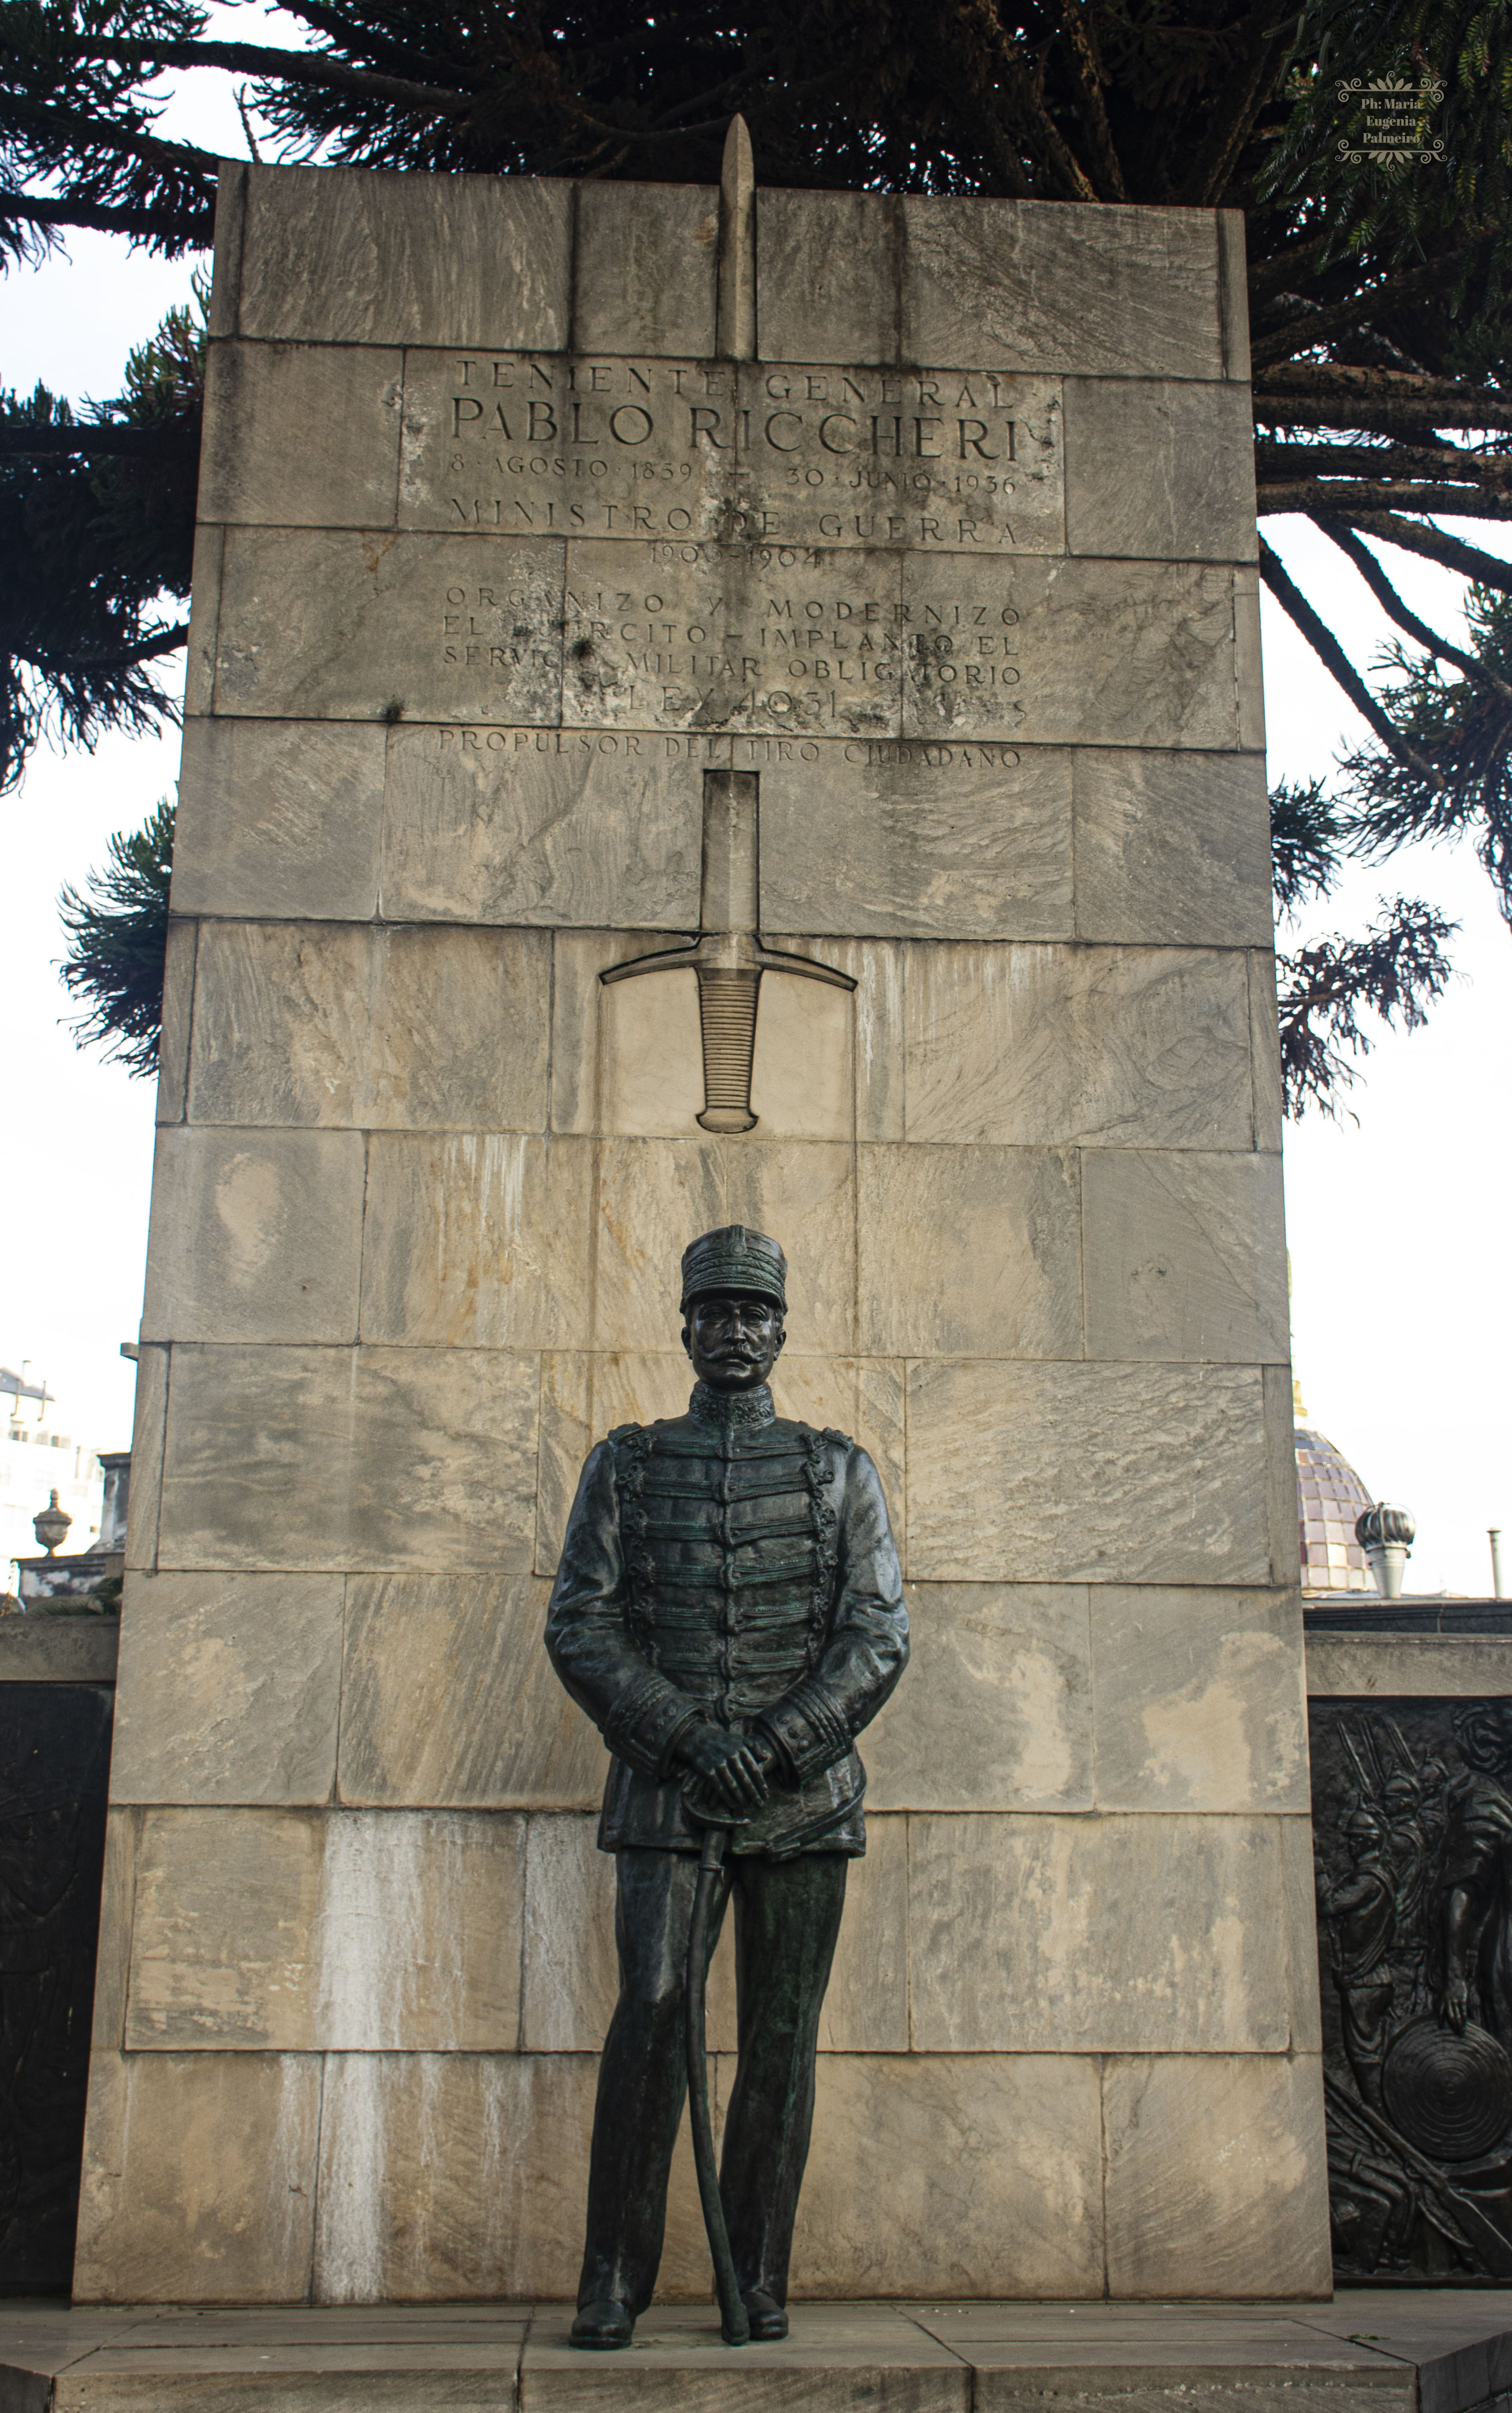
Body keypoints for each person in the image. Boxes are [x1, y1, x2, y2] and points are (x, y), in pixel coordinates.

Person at [544, 1223, 908, 2350]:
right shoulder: (627, 1461)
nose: (736, 1331)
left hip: (802, 1803)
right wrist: (694, 1739)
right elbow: (581, 1623)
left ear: (781, 1329)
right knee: (650, 2016)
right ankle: (613, 2277)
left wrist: (780, 1743)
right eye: (716, 1313)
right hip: (669, 1796)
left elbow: (877, 1634)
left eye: (755, 1313)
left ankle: (757, 2271)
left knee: (780, 2039)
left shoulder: (840, 1467)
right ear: (687, 1326)